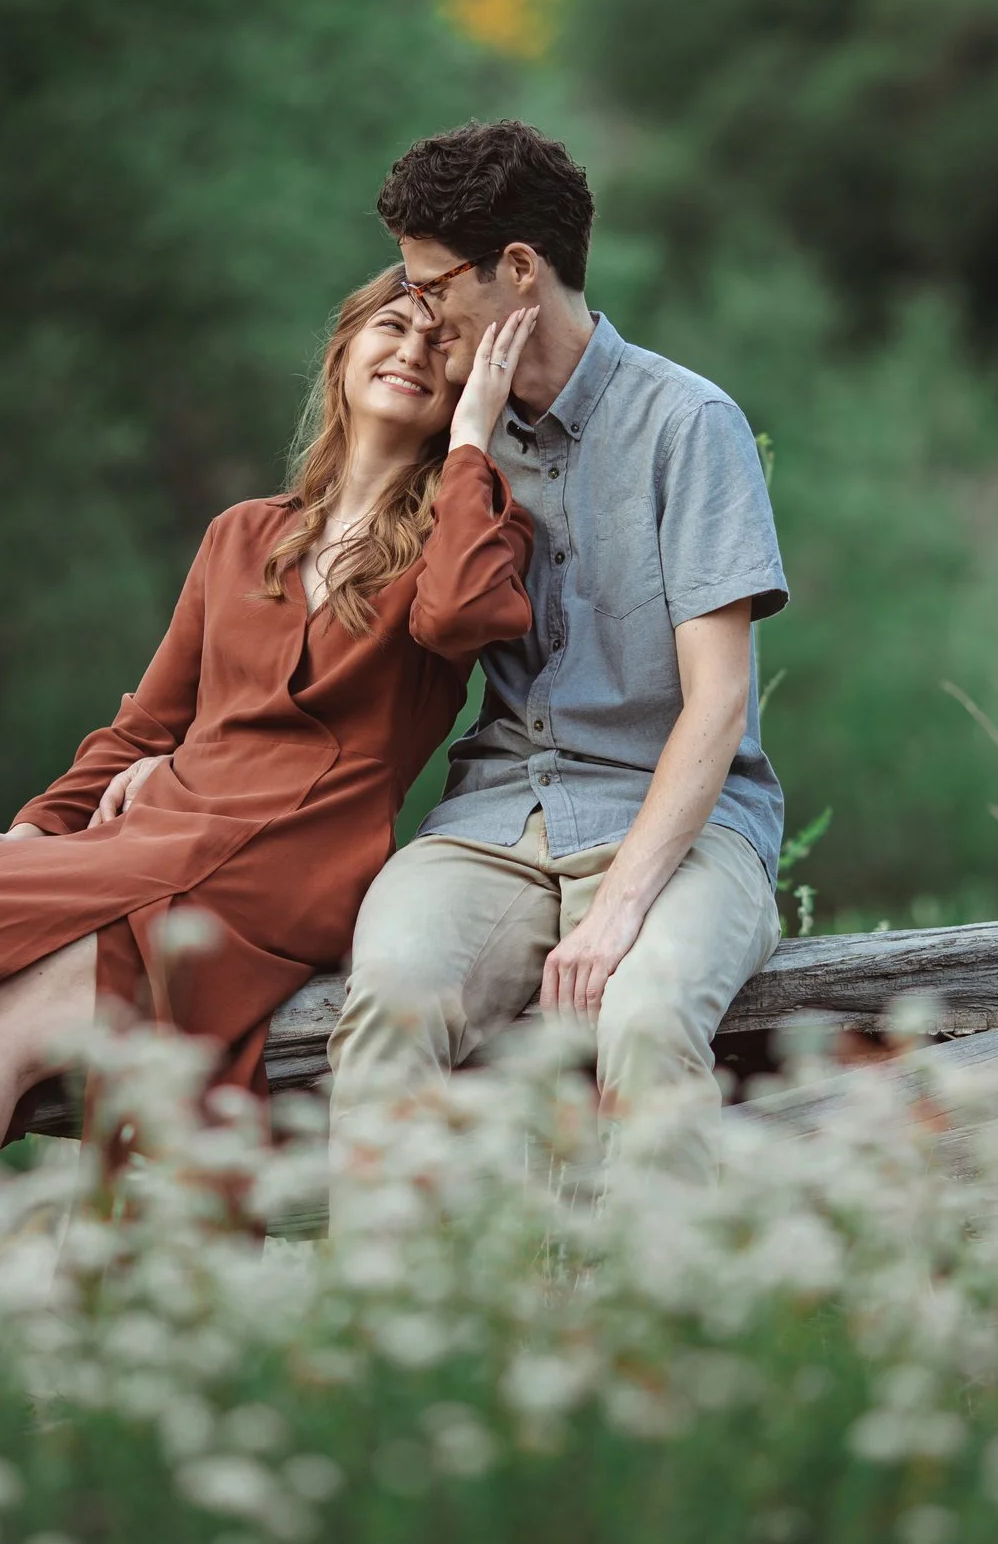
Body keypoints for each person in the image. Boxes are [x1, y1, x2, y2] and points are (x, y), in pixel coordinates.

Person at [0, 271, 538, 1255]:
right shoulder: (242, 536)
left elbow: (463, 617)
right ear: (341, 354)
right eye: (390, 328)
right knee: (7, 1017)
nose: (411, 354)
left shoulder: (467, 534)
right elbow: (144, 726)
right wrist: (37, 828)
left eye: (442, 347)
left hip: (288, 865)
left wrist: (473, 440)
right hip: (167, 833)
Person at [327, 121, 790, 1196]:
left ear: (519, 273)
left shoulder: (689, 422)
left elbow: (715, 707)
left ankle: (667, 1341)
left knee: (645, 1011)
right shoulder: (457, 433)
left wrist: (623, 905)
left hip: (676, 821)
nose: (418, 311)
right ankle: (382, 1348)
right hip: (493, 821)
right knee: (388, 1003)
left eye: (431, 282)